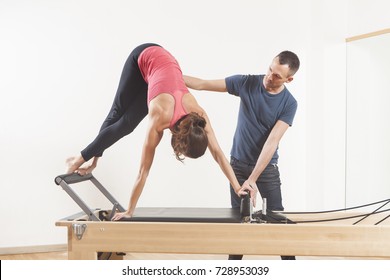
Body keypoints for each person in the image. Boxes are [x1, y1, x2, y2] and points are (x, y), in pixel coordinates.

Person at [65, 43, 257, 221]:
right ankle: (80, 159)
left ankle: (92, 160)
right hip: (144, 57)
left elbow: (219, 155)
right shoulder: (160, 117)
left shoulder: (200, 118)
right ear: (179, 142)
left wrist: (238, 187)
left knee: (125, 124)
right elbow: (143, 171)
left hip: (160, 72)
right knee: (121, 120)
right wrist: (130, 211)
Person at [183, 50, 300, 260]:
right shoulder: (247, 83)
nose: (269, 77)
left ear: (289, 80)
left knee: (278, 222)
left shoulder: (289, 103)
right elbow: (202, 84)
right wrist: (167, 75)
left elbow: (272, 142)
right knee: (239, 223)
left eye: (276, 76)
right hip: (237, 165)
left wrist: (253, 179)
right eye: (269, 70)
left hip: (266, 170)